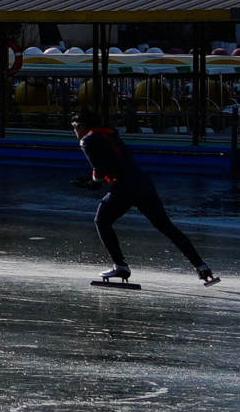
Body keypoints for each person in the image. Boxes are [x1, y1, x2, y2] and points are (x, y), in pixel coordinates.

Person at [80, 100, 219, 287]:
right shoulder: (111, 135)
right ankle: (202, 267)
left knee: (102, 221)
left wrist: (93, 181)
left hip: (124, 187)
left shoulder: (87, 140)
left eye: (75, 127)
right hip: (143, 184)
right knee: (166, 227)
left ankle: (120, 266)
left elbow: (100, 169)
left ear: (80, 126)